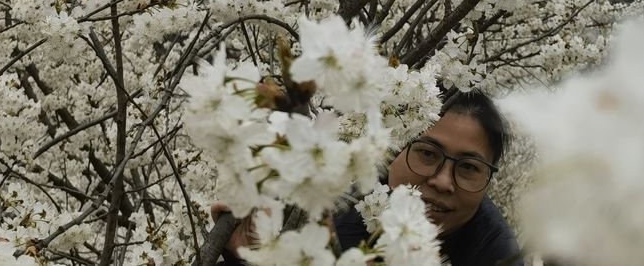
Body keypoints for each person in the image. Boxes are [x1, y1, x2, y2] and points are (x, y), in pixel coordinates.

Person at [218, 89, 522, 265]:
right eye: (427, 153)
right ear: (392, 147)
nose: (443, 181)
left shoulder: (497, 254)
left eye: (469, 167)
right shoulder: (344, 208)